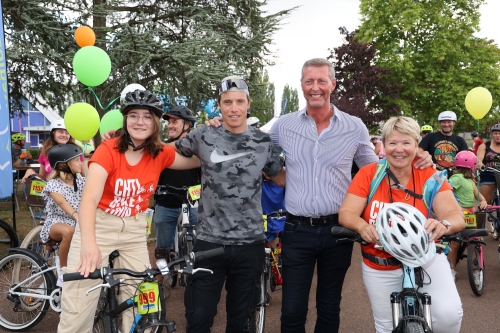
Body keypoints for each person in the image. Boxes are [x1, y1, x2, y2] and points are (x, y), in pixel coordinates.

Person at [267, 58, 433, 333]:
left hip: (338, 229)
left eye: (322, 81)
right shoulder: (283, 126)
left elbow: (377, 169)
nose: (315, 87)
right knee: (292, 309)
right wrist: (279, 177)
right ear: (302, 86)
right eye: (309, 81)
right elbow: (259, 152)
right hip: (297, 229)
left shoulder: (354, 126)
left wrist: (416, 154)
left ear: (332, 84)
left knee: (329, 305)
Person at [57, 89, 201, 333]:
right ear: (125, 119)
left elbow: (199, 159)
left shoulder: (160, 153)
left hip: (134, 229)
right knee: (78, 303)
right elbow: (89, 198)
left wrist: (216, 131)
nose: (140, 121)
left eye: (147, 116)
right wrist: (89, 244)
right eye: (134, 115)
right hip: (99, 225)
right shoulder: (109, 150)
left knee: (140, 299)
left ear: (155, 123)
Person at [175, 76, 285, 333]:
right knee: (198, 318)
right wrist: (126, 143)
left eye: (239, 101)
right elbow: (167, 155)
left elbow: (281, 177)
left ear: (248, 104)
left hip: (249, 245)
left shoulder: (263, 142)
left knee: (240, 320)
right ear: (220, 106)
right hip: (209, 243)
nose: (233, 108)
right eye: (227, 102)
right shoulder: (203, 135)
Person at [338, 116, 464, 333]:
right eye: (392, 143)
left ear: (417, 145)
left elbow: (455, 215)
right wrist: (362, 227)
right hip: (380, 263)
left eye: (406, 143)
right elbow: (347, 213)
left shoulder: (429, 175)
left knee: (448, 316)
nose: (399, 149)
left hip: (426, 257)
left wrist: (444, 224)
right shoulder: (369, 174)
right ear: (383, 146)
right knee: (387, 327)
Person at [154, 105, 200, 261]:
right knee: (162, 252)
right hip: (166, 204)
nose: (170, 125)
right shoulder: (160, 149)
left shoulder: (198, 150)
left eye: (175, 122)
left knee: (200, 248)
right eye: (169, 122)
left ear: (187, 125)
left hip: (192, 204)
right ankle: (159, 283)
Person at [41, 143, 85, 285]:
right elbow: (61, 202)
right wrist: (76, 215)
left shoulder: (81, 181)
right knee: (69, 232)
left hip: (77, 222)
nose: (81, 162)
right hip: (56, 222)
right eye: (77, 160)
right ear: (64, 164)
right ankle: (63, 273)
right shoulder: (54, 184)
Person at [447, 150, 487, 280]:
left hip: (469, 214)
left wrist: (483, 201)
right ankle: (452, 268)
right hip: (458, 214)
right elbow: (447, 192)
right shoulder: (456, 178)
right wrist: (456, 206)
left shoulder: (470, 181)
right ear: (471, 166)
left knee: (469, 241)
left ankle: (467, 267)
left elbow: (478, 196)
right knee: (456, 243)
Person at [476, 123, 500, 239]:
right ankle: (478, 232)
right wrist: (480, 163)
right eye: (495, 133)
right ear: (492, 134)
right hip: (488, 174)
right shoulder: (485, 146)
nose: (498, 136)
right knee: (483, 204)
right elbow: (479, 159)